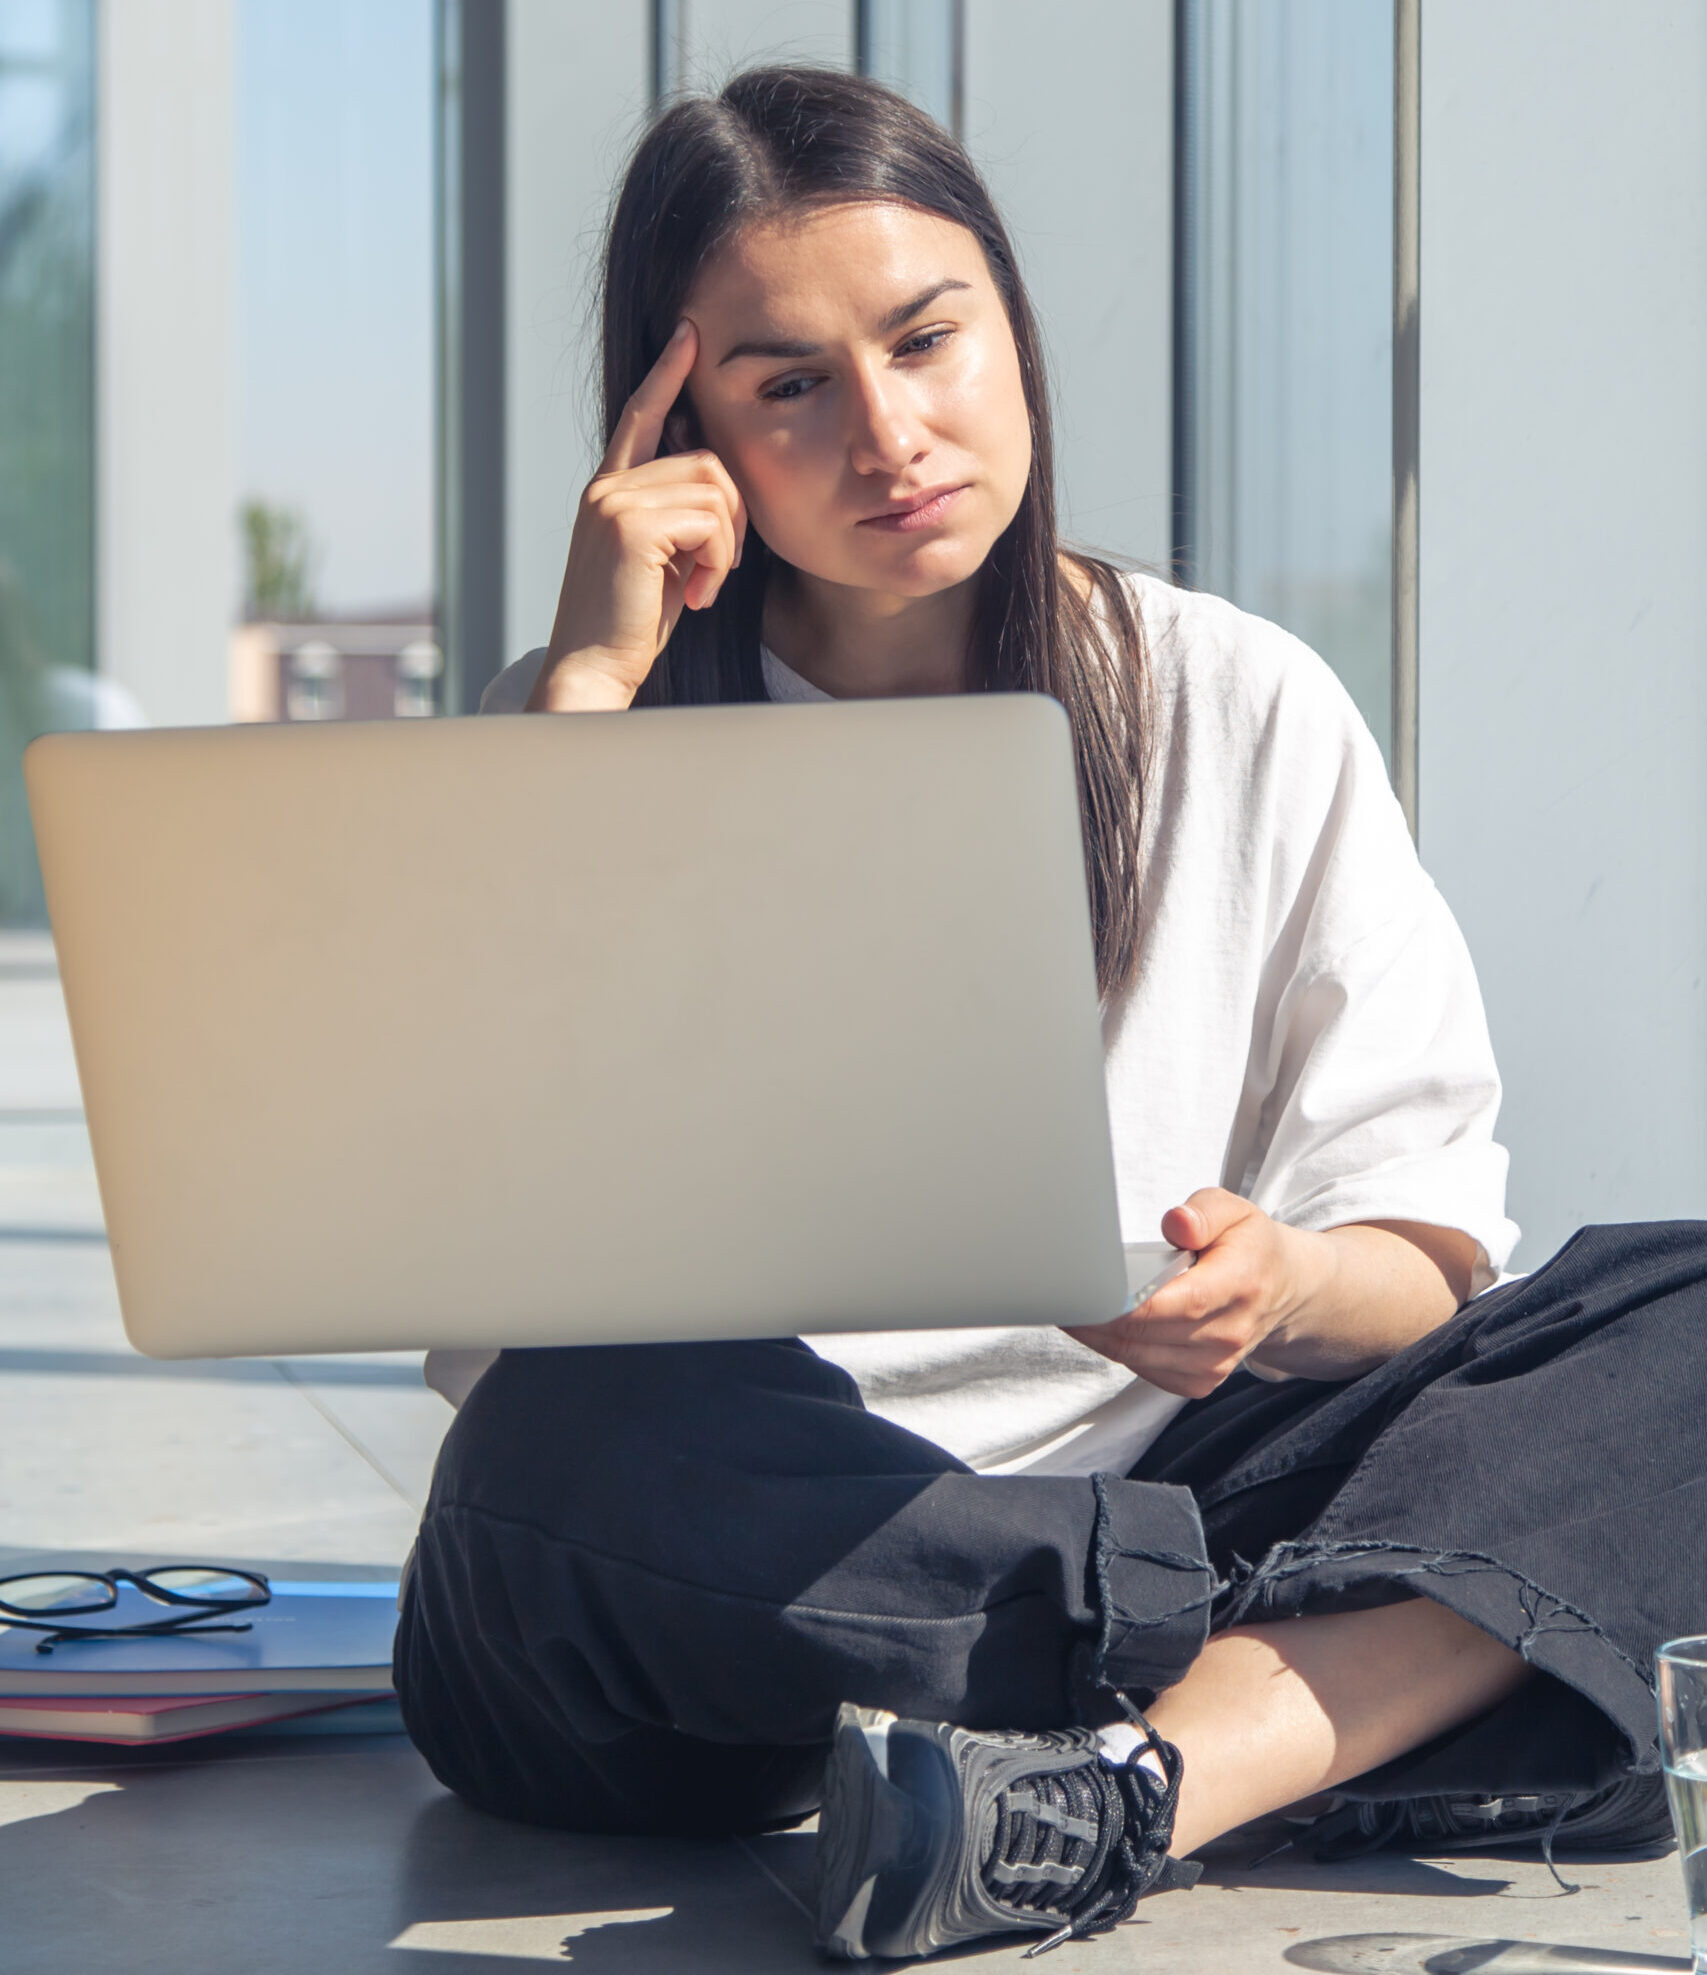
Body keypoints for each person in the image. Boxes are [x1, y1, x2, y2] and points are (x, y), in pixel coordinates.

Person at [395, 65, 1701, 1962]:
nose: (892, 432)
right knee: (550, 1459)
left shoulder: (1235, 698)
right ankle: (1365, 1664)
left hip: (1146, 1469)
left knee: (1681, 1311)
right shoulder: (578, 722)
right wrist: (593, 689)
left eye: (932, 340)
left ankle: (1121, 1791)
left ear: (1012, 324)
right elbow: (483, 1272)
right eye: (789, 388)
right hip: (734, 1546)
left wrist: (1283, 1285)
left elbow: (1427, 1261)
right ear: (680, 435)